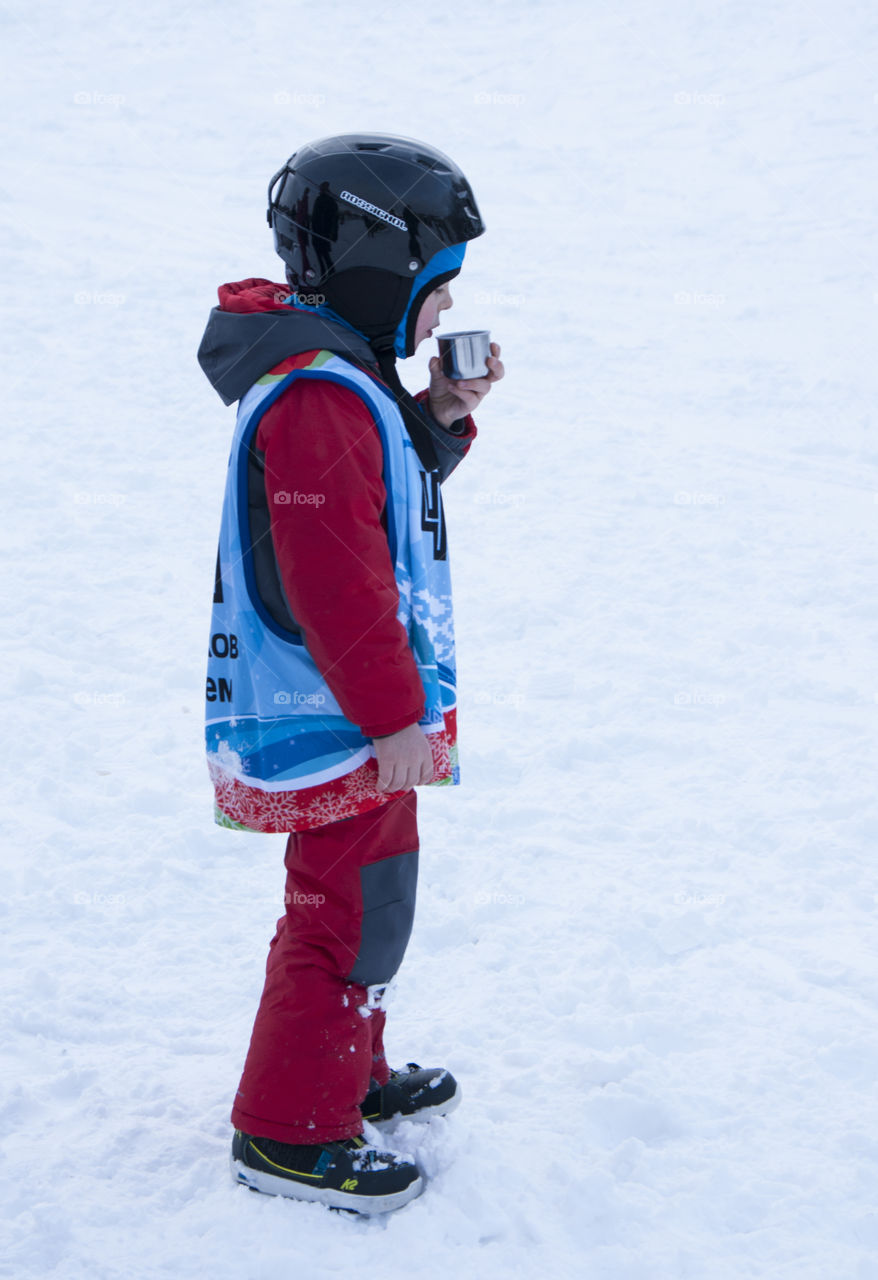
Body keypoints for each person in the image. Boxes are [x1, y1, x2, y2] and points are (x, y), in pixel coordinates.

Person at [197, 133, 503, 1215]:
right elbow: (334, 579)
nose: (437, 314)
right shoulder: (318, 393)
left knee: (369, 903)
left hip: (356, 715)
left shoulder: (344, 384)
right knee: (343, 913)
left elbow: (372, 499)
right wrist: (392, 715)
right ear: (382, 268)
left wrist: (438, 420)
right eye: (433, 289)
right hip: (338, 716)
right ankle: (285, 1129)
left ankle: (346, 1071)